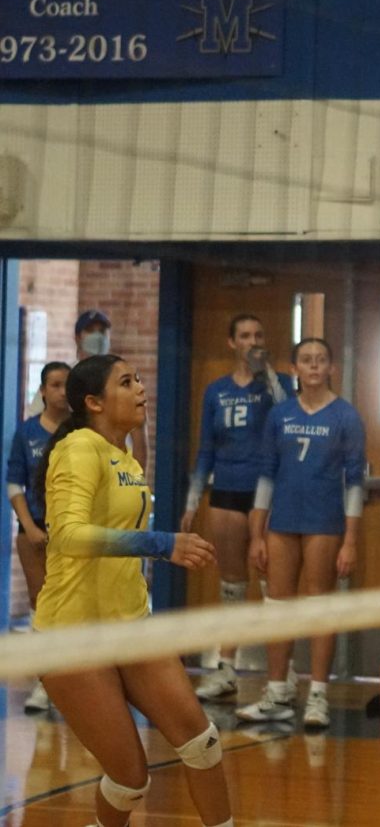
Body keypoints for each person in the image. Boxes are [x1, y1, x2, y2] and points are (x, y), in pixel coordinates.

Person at [35, 355, 233, 827]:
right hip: (72, 635)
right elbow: (68, 536)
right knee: (129, 779)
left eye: (140, 379)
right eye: (127, 382)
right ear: (94, 402)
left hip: (130, 625)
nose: (141, 388)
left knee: (202, 743)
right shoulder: (79, 448)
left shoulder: (125, 458)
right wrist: (163, 544)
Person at [236, 337, 366, 730]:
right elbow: (266, 475)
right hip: (282, 522)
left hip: (324, 522)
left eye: (321, 360)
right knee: (278, 607)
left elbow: (356, 482)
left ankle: (319, 696)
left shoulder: (346, 416)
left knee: (319, 608)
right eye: (306, 360)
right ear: (295, 368)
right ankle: (277, 691)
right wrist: (257, 533)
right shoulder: (280, 415)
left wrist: (351, 540)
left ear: (331, 369)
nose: (313, 366)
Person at [184, 314, 292, 702]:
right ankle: (226, 667)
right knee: (231, 584)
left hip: (266, 492)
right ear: (232, 342)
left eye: (259, 334)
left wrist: (269, 376)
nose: (252, 341)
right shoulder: (216, 391)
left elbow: (288, 417)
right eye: (245, 335)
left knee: (271, 583)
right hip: (226, 491)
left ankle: (285, 674)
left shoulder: (277, 386)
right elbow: (206, 449)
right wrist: (193, 499)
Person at [7, 360, 70, 712]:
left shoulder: (81, 431)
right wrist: (29, 526)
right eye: (56, 385)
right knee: (41, 604)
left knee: (71, 606)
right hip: (35, 529)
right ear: (43, 390)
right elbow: (14, 481)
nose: (62, 392)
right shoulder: (27, 432)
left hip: (73, 532)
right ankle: (45, 683)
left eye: (67, 385)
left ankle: (74, 680)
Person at [75, 309, 149, 470]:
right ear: (78, 337)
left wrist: (137, 481)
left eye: (102, 331)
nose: (97, 336)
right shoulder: (66, 379)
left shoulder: (125, 379)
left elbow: (138, 431)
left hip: (117, 471)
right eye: (90, 331)